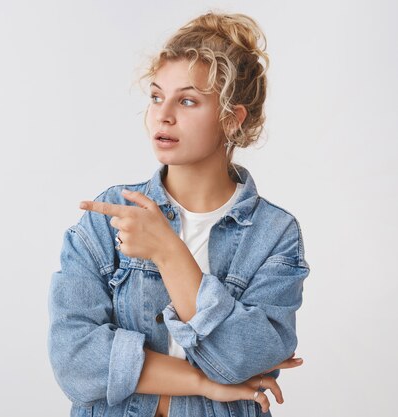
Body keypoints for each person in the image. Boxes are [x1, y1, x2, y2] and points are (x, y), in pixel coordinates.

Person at [47, 10, 311, 417]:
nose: (163, 114)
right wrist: (204, 383)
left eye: (187, 100)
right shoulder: (109, 216)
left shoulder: (274, 234)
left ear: (232, 119)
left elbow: (246, 359)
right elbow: (74, 361)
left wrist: (169, 252)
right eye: (156, 96)